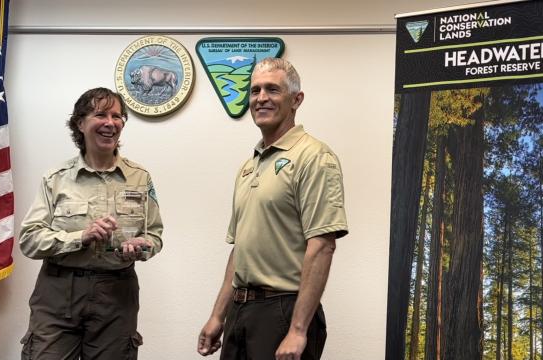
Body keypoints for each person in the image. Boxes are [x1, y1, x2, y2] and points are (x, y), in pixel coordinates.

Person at [197, 58, 348, 360]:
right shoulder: (248, 166)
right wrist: (218, 315)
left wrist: (298, 329)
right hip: (241, 311)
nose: (261, 98)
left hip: (283, 310)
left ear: (296, 100)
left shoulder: (314, 157)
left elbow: (322, 246)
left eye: (272, 89)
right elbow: (240, 249)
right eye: (255, 91)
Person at [19, 87, 163, 359]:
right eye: (100, 114)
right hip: (58, 292)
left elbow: (154, 235)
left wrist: (143, 246)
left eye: (117, 116)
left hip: (117, 294)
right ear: (80, 123)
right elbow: (29, 239)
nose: (111, 123)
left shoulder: (140, 177)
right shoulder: (56, 178)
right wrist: (79, 237)